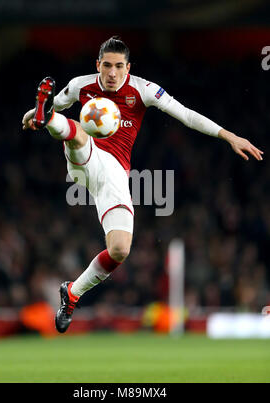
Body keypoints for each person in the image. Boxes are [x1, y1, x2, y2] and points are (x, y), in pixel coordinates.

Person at [22, 36, 264, 333]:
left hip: (115, 175)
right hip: (87, 157)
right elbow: (51, 106)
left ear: (128, 68)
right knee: (77, 135)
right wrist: (36, 115)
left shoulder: (143, 89)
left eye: (119, 67)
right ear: (98, 65)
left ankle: (72, 293)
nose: (112, 73)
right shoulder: (79, 85)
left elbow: (185, 114)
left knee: (120, 249)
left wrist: (229, 136)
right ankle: (54, 123)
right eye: (107, 66)